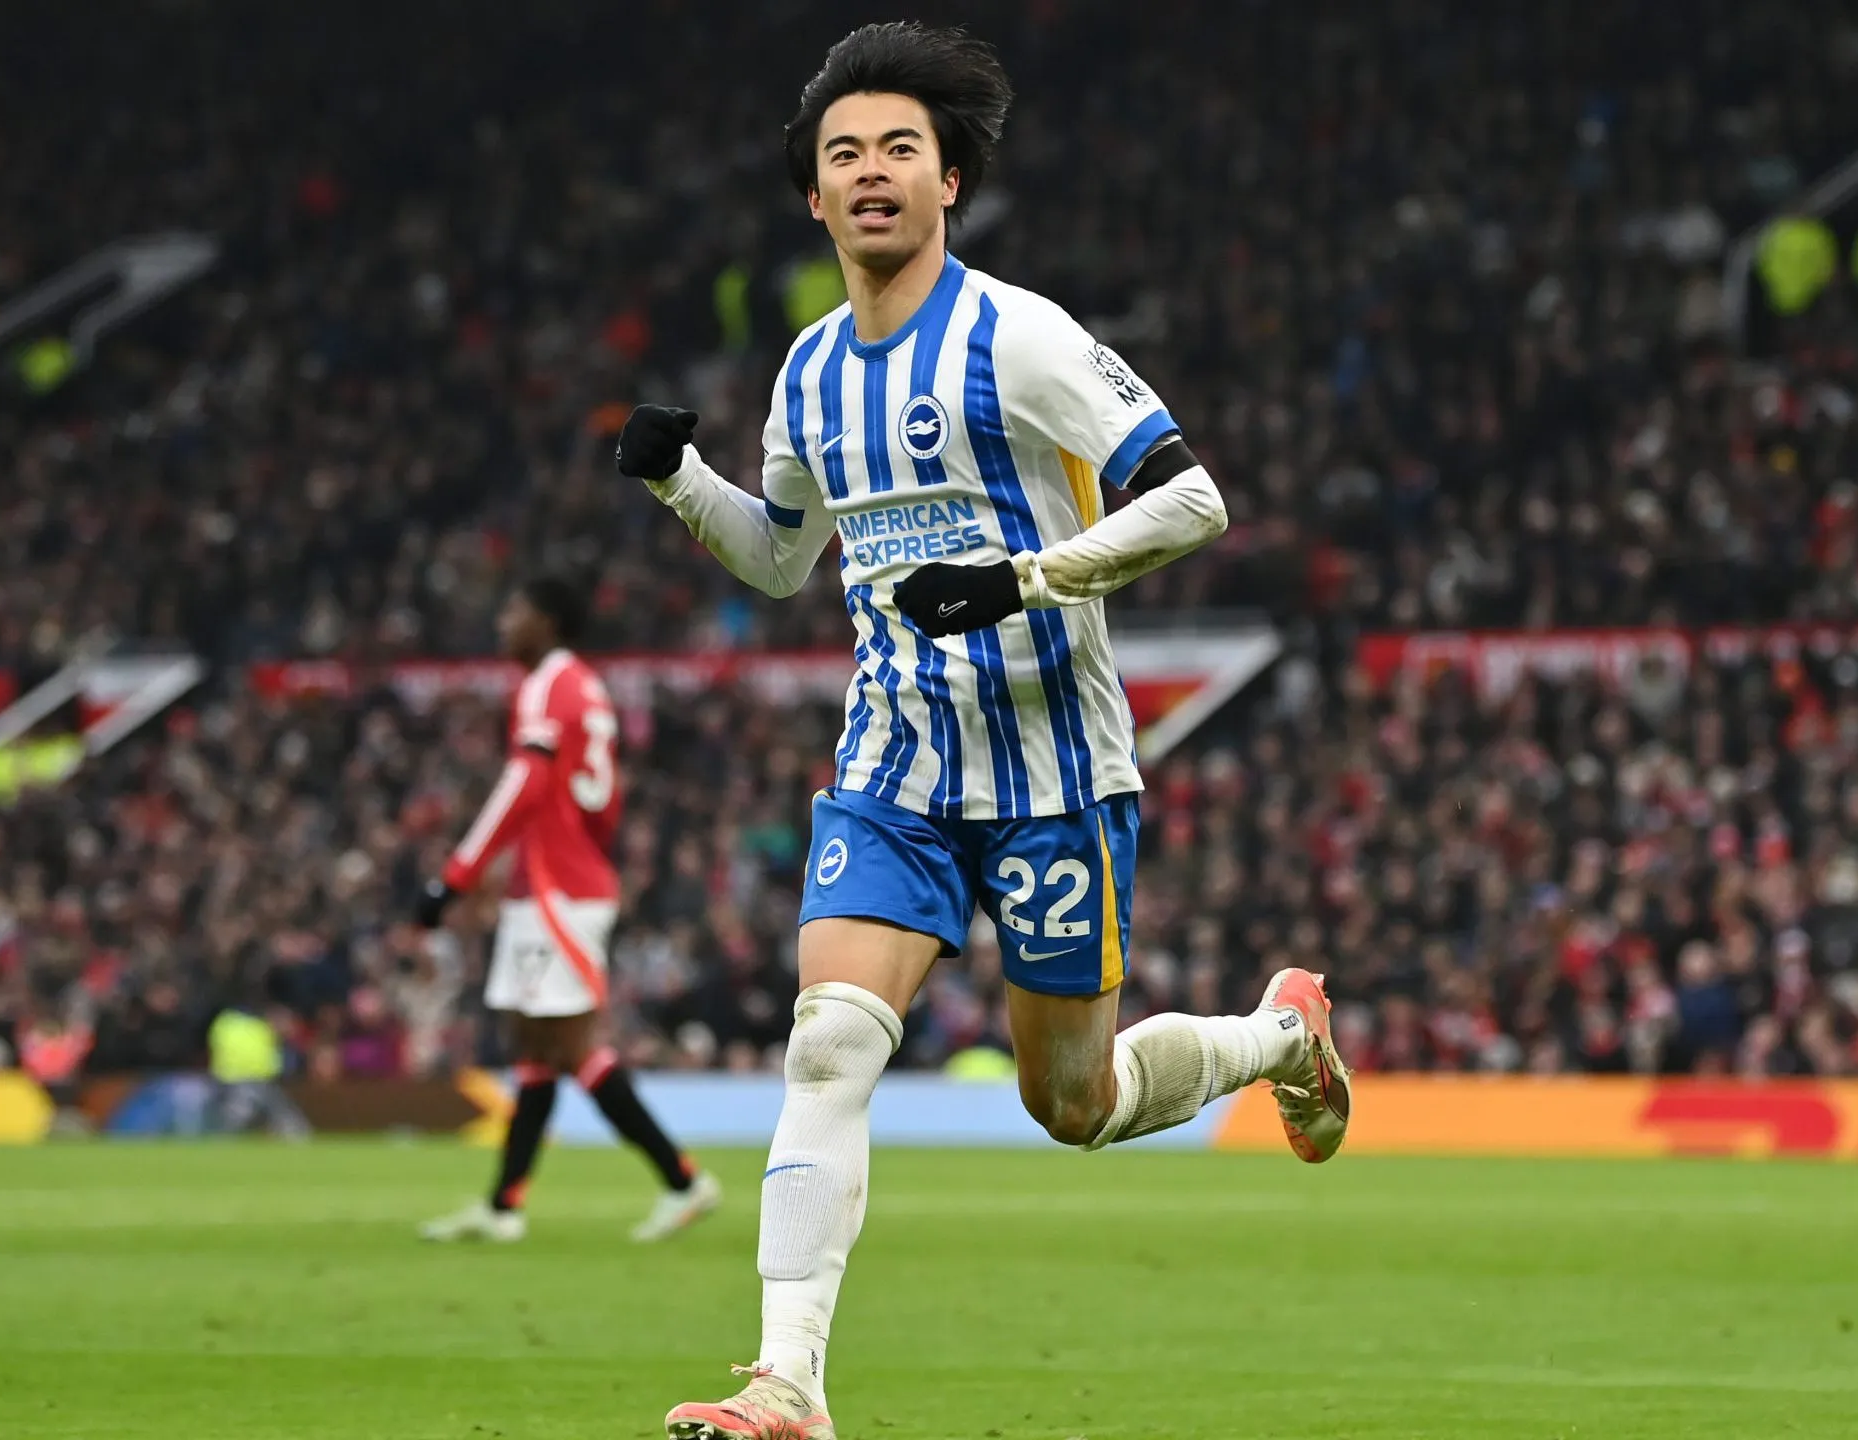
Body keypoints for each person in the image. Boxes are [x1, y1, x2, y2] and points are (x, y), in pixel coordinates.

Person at [613, 25, 1352, 1439]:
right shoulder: (813, 372)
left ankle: (1281, 1037)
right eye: (845, 156)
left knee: (1071, 1103)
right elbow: (781, 558)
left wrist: (1026, 576)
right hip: (892, 766)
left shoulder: (1020, 335)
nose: (873, 173)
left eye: (901, 149)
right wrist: (675, 483)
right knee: (829, 1043)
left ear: (949, 179)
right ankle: (789, 1382)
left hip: (1052, 772)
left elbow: (1192, 500)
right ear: (812, 198)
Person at [415, 576, 722, 1244]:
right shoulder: (583, 685)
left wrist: (457, 875)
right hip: (556, 881)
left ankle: (683, 1179)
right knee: (533, 1045)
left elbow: (527, 778)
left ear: (547, 620)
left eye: (514, 608)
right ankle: (504, 1206)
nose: (503, 622)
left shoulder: (547, 683)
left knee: (573, 1045)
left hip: (559, 889)